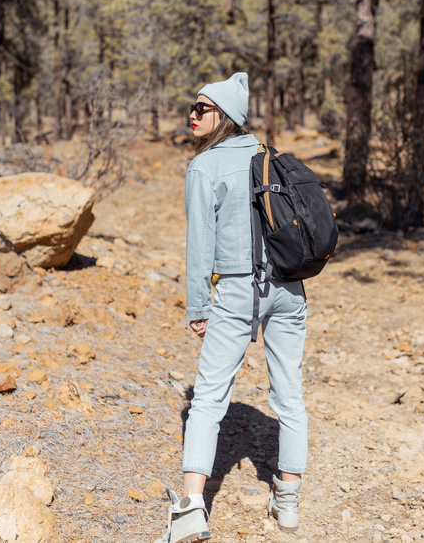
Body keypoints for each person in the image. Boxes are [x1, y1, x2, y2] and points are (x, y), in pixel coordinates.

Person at [153, 72, 309, 543]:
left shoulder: (204, 167)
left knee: (207, 398)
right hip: (289, 287)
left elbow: (199, 245)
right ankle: (287, 506)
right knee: (290, 395)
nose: (192, 115)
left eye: (202, 108)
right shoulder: (269, 157)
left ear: (225, 116)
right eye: (193, 107)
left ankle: (190, 510)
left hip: (240, 288)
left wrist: (198, 305)